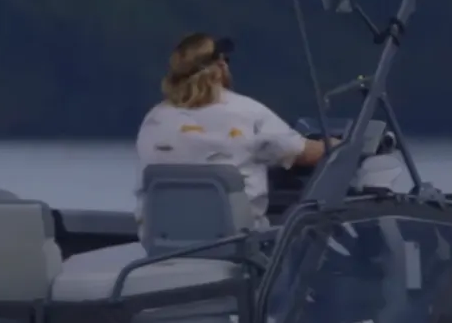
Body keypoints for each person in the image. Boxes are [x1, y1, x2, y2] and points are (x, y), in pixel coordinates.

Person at [134, 32, 329, 226]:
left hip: (163, 242)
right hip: (236, 244)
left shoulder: (155, 119)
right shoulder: (247, 112)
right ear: (220, 67)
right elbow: (305, 152)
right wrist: (343, 145)